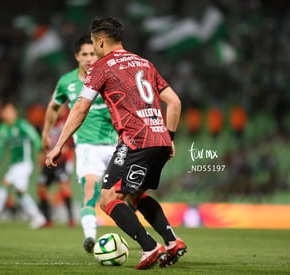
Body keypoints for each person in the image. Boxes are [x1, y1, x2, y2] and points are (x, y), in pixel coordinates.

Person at [45, 17, 186, 270]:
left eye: (93, 43)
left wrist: (58, 145)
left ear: (100, 40)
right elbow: (174, 102)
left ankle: (149, 247)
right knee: (133, 195)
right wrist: (169, 138)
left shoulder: (102, 67)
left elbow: (80, 107)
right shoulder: (144, 63)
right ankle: (172, 241)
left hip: (136, 139)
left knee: (108, 198)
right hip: (160, 138)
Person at [42, 35, 117, 252]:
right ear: (77, 56)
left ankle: (147, 239)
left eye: (92, 53)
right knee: (90, 191)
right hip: (87, 146)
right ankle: (90, 237)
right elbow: (53, 107)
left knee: (127, 196)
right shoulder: (67, 81)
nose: (89, 58)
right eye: (84, 54)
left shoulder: (110, 76)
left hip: (116, 144)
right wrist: (47, 132)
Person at [0, 102, 46, 229]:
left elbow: (35, 137)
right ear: (2, 114)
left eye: (11, 110)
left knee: (4, 184)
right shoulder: (2, 129)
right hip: (15, 165)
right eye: (7, 111)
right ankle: (38, 217)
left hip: (25, 164)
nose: (10, 113)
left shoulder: (22, 125)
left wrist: (40, 151)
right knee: (20, 192)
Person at [37, 105, 75, 227]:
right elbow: (42, 142)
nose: (59, 109)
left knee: (65, 189)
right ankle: (47, 219)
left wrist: (69, 160)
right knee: (41, 188)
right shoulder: (48, 122)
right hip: (48, 161)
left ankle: (71, 219)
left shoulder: (68, 121)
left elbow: (69, 146)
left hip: (61, 162)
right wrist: (42, 155)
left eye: (61, 107)